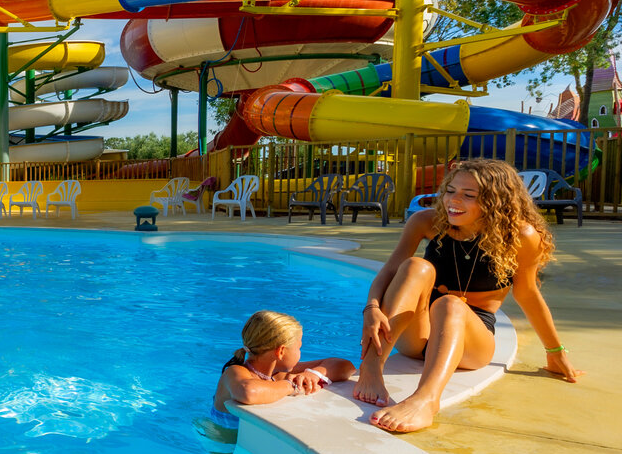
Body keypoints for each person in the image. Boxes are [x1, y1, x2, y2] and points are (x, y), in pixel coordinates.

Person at [354, 158, 581, 434]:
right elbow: (390, 270)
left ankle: (426, 399)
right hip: (418, 336)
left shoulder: (521, 236)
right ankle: (372, 368)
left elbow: (528, 295)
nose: (453, 200)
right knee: (416, 266)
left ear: (495, 201)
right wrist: (372, 307)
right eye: (450, 191)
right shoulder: (426, 222)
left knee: (450, 305)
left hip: (471, 343)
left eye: (468, 195)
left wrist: (555, 352)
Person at [210, 310, 354, 430]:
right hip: (220, 445)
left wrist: (314, 374)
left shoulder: (278, 373)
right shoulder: (234, 372)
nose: (300, 352)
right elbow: (249, 392)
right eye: (299, 347)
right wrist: (291, 386)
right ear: (281, 352)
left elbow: (346, 367)